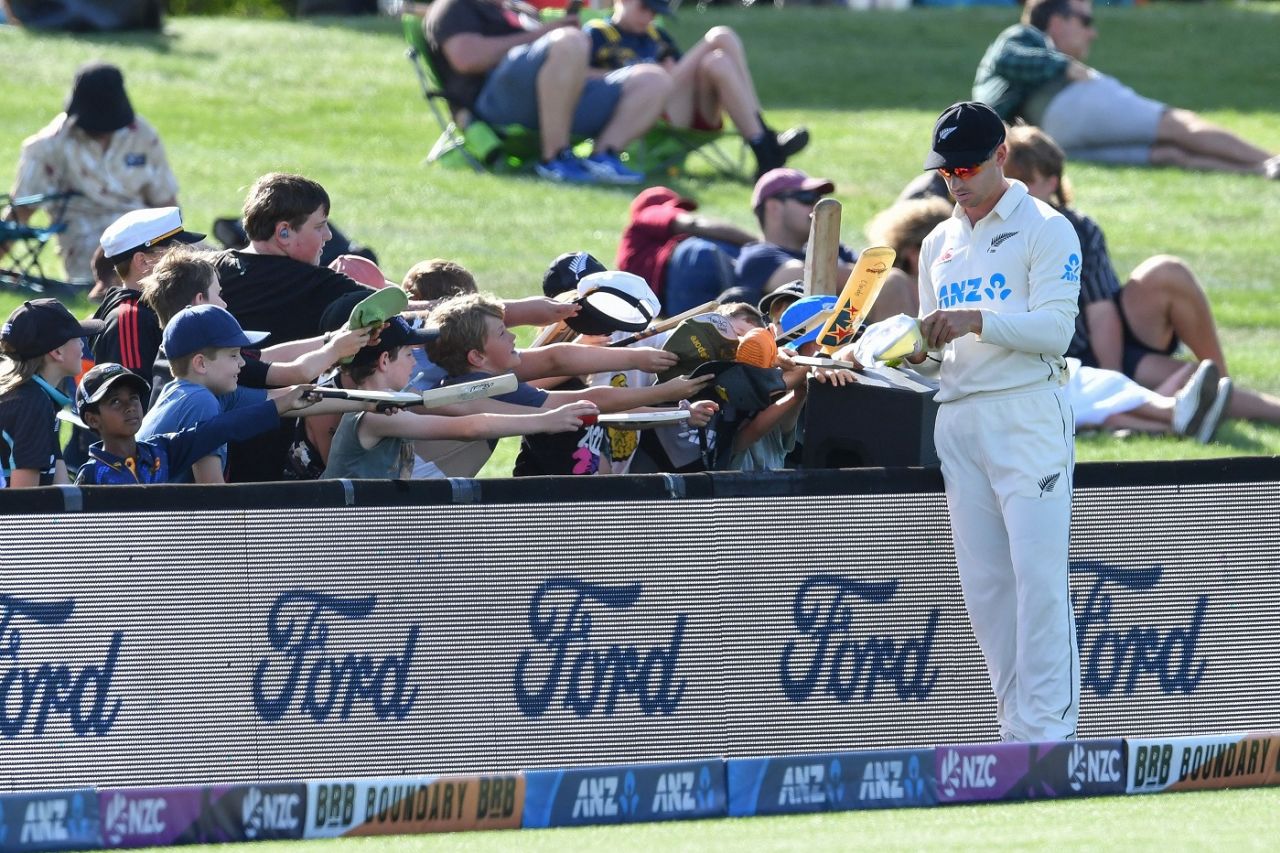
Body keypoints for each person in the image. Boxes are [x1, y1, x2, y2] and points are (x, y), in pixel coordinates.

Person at [905, 101, 1081, 742]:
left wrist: (977, 320)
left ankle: (1050, 736)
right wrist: (906, 352)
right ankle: (1016, 733)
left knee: (1038, 579)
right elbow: (932, 352)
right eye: (946, 169)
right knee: (985, 589)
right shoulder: (936, 243)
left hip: (1028, 413)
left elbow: (1056, 331)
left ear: (1002, 156)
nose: (956, 179)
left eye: (968, 166)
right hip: (959, 420)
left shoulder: (1046, 227)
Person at [1001, 124, 1280, 435]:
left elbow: (1103, 311)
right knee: (1190, 383)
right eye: (1011, 181)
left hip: (1107, 346)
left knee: (1167, 271)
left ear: (1051, 182)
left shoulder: (1076, 228)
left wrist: (1113, 382)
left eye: (1026, 181)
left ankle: (1218, 379)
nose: (1018, 190)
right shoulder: (994, 231)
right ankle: (1164, 408)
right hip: (1058, 360)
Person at [972, 0, 1279, 177]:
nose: (1092, 33)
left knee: (1167, 154)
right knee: (1178, 124)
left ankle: (1262, 170)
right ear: (1056, 21)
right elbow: (1008, 57)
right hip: (1069, 106)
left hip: (1055, 138)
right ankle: (1270, 158)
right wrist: (1064, 66)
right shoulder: (1022, 36)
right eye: (1085, 20)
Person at [423, 0, 670, 185]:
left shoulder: (516, 7)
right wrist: (548, 33)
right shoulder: (454, 6)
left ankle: (602, 157)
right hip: (495, 104)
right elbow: (467, 58)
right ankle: (555, 158)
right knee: (570, 40)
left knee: (653, 78)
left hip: (551, 99)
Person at [321, 316, 596, 479]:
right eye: (408, 355)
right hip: (345, 537)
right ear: (384, 361)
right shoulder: (375, 413)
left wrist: (547, 414)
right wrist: (547, 420)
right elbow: (471, 427)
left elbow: (466, 406)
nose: (414, 365)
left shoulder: (402, 398)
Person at [2, 63, 182, 288]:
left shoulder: (142, 136)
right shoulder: (47, 147)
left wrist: (179, 245)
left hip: (145, 235)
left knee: (210, 262)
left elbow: (165, 201)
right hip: (88, 244)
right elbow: (20, 213)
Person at [585, 0, 808, 179]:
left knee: (717, 62)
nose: (650, 16)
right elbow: (580, 77)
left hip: (683, 108)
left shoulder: (657, 37)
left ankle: (765, 147)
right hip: (644, 110)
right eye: (645, 7)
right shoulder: (599, 34)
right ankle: (767, 142)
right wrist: (638, 73)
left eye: (656, 11)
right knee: (721, 36)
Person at [74, 362, 313, 486]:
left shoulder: (162, 451)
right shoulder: (91, 475)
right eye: (115, 401)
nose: (129, 406)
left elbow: (221, 428)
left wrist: (283, 403)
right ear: (93, 419)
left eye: (134, 397)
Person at [732, 169, 916, 324]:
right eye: (806, 198)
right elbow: (803, 279)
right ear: (774, 207)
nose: (817, 205)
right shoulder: (759, 256)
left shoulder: (836, 249)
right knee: (892, 281)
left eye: (819, 198)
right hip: (805, 350)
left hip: (850, 336)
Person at [88, 207, 205, 378]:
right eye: (175, 250)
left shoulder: (154, 305)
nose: (185, 257)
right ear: (142, 261)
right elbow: (133, 394)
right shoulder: (130, 318)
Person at [0, 299, 105, 487]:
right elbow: (24, 503)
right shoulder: (31, 404)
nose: (83, 346)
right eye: (76, 337)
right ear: (57, 352)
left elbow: (61, 486)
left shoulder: (41, 398)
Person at [616, 186, 757, 316]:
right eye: (675, 208)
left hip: (675, 306)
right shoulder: (648, 213)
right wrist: (760, 243)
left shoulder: (631, 257)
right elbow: (693, 223)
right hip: (691, 264)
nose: (682, 212)